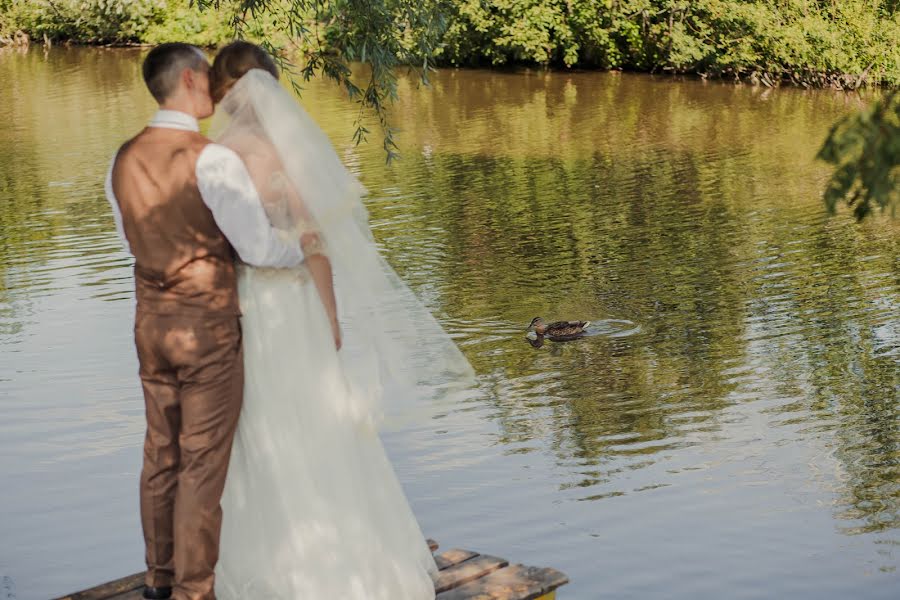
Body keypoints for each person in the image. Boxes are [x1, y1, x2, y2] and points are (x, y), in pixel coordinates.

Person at [206, 41, 475, 599]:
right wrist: (331, 318)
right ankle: (350, 563)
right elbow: (315, 243)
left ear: (220, 91)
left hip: (244, 308)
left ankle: (269, 566)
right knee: (319, 424)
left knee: (260, 427)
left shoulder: (216, 153)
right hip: (294, 308)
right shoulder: (288, 150)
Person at [104, 43, 307, 600]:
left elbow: (133, 244)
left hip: (150, 326)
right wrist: (303, 248)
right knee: (201, 463)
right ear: (192, 80)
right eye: (207, 78)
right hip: (208, 331)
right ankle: (195, 591)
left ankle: (158, 578)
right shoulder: (212, 159)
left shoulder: (121, 158)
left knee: (158, 454)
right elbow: (260, 249)